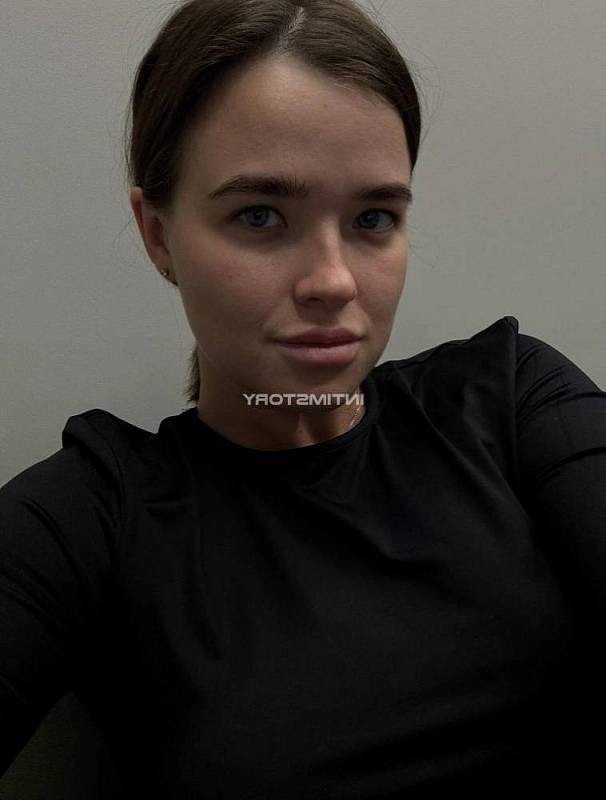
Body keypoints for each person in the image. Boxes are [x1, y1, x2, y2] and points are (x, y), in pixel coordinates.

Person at [1, 0, 605, 796]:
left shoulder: (512, 403)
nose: (333, 281)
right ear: (158, 234)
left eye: (373, 217)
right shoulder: (94, 521)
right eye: (261, 215)